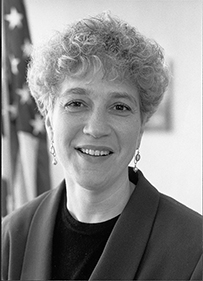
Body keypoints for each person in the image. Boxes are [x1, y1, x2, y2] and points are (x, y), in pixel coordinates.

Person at [2, 12, 202, 280]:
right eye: (76, 103)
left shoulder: (194, 248)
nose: (96, 128)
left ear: (141, 126)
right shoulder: (11, 238)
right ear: (49, 120)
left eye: (119, 107)